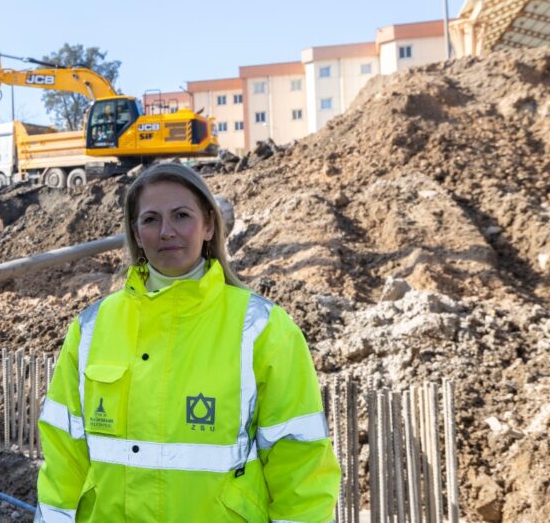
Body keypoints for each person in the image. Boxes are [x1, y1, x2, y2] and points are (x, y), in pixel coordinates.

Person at [35, 162, 340, 521]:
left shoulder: (262, 328)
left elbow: (300, 464)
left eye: (181, 215)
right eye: (150, 219)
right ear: (135, 231)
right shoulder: (91, 327)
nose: (166, 232)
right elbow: (63, 459)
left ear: (209, 224)